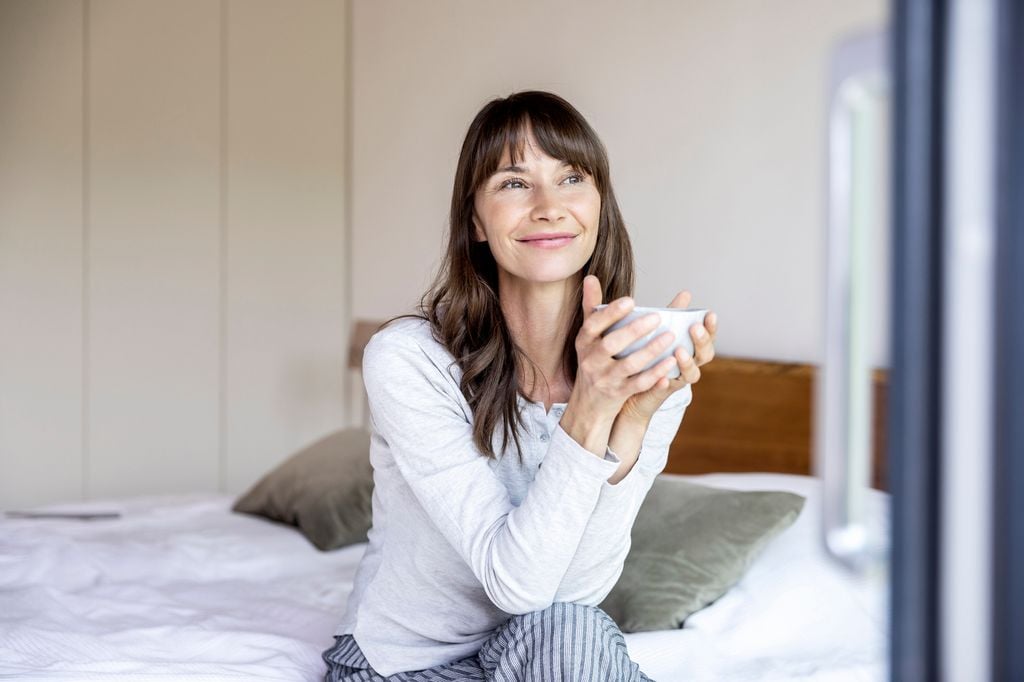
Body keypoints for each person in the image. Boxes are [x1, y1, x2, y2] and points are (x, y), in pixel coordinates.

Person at [322, 90, 718, 681]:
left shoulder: (641, 371)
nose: (548, 206)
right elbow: (517, 585)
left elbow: (575, 593)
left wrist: (630, 424)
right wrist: (589, 411)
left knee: (575, 631)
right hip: (405, 666)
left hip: (547, 651)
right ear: (476, 220)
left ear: (600, 206)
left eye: (572, 179)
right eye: (513, 183)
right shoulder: (410, 359)